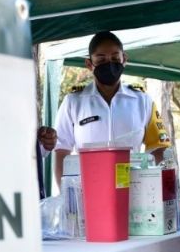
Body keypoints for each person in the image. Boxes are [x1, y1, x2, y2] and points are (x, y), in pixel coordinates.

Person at [52, 31, 171, 187]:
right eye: (101, 59)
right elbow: (61, 151)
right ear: (89, 64)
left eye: (115, 58)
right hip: (88, 192)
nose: (109, 64)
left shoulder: (142, 101)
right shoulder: (73, 102)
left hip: (133, 191)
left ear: (124, 60)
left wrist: (155, 191)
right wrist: (66, 195)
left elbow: (158, 149)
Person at [0, 0, 57, 198]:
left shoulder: (16, 56)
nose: (21, 15)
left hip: (24, 195)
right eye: (14, 6)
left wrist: (41, 143)